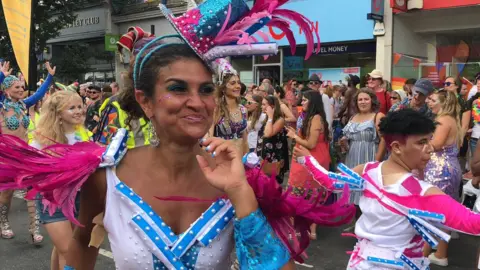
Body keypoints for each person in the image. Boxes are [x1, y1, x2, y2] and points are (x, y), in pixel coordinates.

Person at [0, 1, 357, 269]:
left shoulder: (236, 178)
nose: (196, 102)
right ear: (146, 101)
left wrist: (240, 194)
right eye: (177, 88)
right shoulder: (106, 176)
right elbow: (80, 255)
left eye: (205, 90)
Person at [294, 109, 480, 270]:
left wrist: (307, 160)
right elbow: (473, 224)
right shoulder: (420, 192)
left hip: (361, 263)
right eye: (421, 142)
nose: (430, 149)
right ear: (397, 147)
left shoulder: (368, 170)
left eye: (429, 140)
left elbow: (330, 182)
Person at [31, 91, 88, 270]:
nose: (78, 111)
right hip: (53, 201)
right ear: (58, 113)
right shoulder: (42, 140)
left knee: (63, 248)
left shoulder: (84, 133)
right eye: (72, 108)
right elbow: (32, 171)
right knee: (68, 250)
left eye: (80, 106)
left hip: (79, 199)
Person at [0, 61, 56, 242]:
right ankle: (3, 222)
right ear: (7, 90)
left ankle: (35, 228)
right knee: (7, 193)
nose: (21, 89)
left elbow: (39, 94)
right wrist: (1, 75)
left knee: (32, 189)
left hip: (25, 154)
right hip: (6, 156)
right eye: (17, 86)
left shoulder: (24, 104)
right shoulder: (1, 105)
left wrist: (50, 77)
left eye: (21, 86)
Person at [422, 90, 463, 266]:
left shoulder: (443, 120)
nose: (429, 102)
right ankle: (439, 253)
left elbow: (436, 145)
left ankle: (423, 253)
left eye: (432, 100)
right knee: (443, 212)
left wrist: (418, 144)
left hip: (440, 170)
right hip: (450, 168)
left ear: (443, 103)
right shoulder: (453, 120)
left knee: (431, 211)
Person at [286, 91, 330, 239]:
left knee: (300, 194)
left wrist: (294, 136)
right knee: (310, 193)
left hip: (310, 160)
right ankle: (308, 230)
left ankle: (303, 230)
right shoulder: (311, 117)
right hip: (309, 159)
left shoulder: (315, 118)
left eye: (305, 100)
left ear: (313, 102)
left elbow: (311, 144)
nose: (302, 102)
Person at [340, 89, 386, 206]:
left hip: (369, 158)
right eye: (360, 99)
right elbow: (348, 143)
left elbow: (384, 140)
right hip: (352, 159)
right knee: (354, 197)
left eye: (366, 99)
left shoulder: (378, 116)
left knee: (368, 196)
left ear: (372, 101)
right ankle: (357, 223)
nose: (363, 102)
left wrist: (376, 161)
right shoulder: (353, 117)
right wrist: (344, 143)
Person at [211, 65, 248, 153]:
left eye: (238, 83)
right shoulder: (216, 109)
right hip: (222, 159)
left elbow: (245, 141)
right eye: (233, 83)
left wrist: (247, 163)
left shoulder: (243, 110)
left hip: (239, 160)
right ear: (223, 88)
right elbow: (208, 138)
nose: (238, 86)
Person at [256, 95, 289, 183]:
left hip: (274, 158)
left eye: (264, 104)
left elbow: (268, 134)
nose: (261, 106)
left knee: (272, 185)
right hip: (263, 156)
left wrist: (270, 117)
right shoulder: (265, 118)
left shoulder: (280, 120)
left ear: (272, 106)